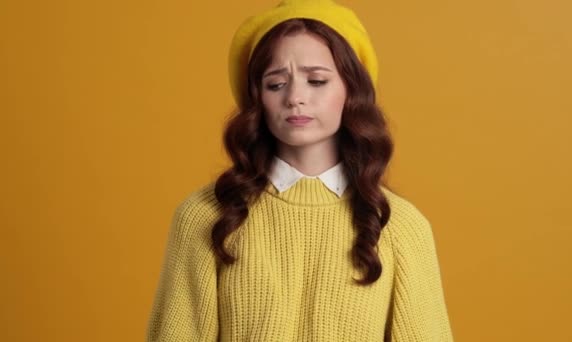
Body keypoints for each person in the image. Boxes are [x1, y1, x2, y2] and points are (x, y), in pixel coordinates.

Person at [146, 0, 454, 340]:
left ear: (352, 90)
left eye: (317, 81)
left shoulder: (400, 227)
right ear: (257, 99)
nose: (295, 97)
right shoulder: (206, 217)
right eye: (275, 84)